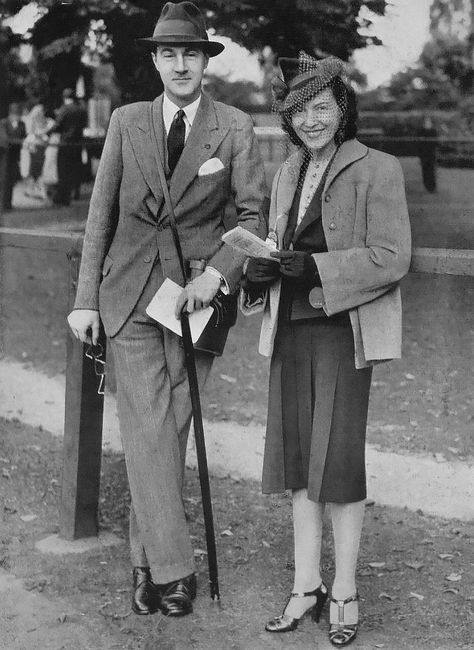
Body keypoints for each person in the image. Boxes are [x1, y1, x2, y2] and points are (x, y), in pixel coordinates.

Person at [67, 1, 266, 618]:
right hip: (126, 296)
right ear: (155, 61)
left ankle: (143, 565)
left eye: (191, 54)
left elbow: (254, 217)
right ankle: (176, 573)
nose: (181, 64)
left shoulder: (233, 127)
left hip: (195, 305)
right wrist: (83, 300)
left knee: (168, 433)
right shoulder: (127, 121)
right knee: (148, 430)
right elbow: (100, 215)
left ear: (206, 62)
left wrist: (218, 274)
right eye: (169, 53)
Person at [242, 52, 411, 646]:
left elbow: (392, 257)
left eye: (322, 108)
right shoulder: (287, 170)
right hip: (289, 328)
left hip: (342, 331)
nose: (311, 121)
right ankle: (306, 585)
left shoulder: (378, 168)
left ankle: (345, 591)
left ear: (343, 110)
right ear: (287, 120)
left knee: (336, 463)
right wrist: (261, 268)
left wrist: (314, 266)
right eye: (299, 112)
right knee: (297, 463)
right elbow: (274, 239)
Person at [50, 88, 87, 205]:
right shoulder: (81, 110)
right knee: (75, 169)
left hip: (65, 144)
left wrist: (47, 132)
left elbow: (57, 125)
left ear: (64, 98)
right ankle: (75, 193)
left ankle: (63, 198)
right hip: (77, 144)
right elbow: (84, 124)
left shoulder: (64, 109)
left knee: (63, 171)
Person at [0, 103, 26, 210]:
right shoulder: (3, 123)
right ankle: (3, 204)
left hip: (15, 155)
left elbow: (24, 136)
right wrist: (19, 141)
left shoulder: (22, 124)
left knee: (11, 180)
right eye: (14, 114)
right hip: (4, 156)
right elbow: (5, 139)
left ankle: (8, 203)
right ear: (10, 114)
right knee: (4, 179)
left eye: (18, 114)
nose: (16, 116)